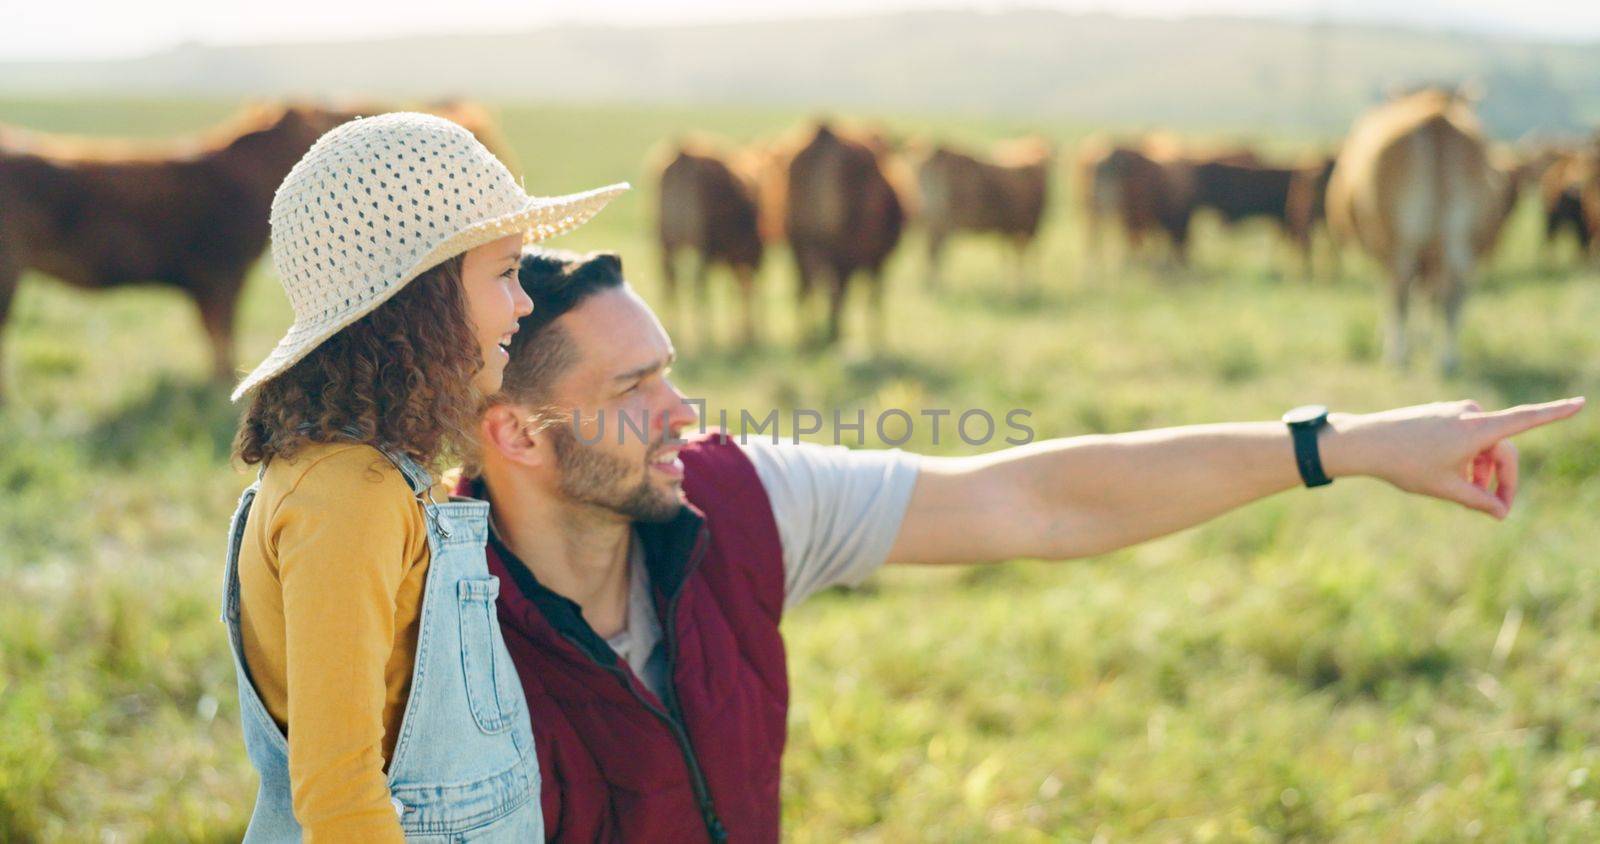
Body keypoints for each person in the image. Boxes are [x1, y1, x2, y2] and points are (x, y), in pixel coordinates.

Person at [465, 248, 1583, 842]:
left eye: (669, 369)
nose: (682, 407)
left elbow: (1036, 501)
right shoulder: (419, 628)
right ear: (515, 431)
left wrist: (1341, 445)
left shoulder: (739, 498)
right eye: (634, 386)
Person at [220, 112, 627, 840]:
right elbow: (341, 799)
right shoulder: (349, 496)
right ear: (421, 298)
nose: (524, 302)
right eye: (504, 273)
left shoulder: (388, 476)